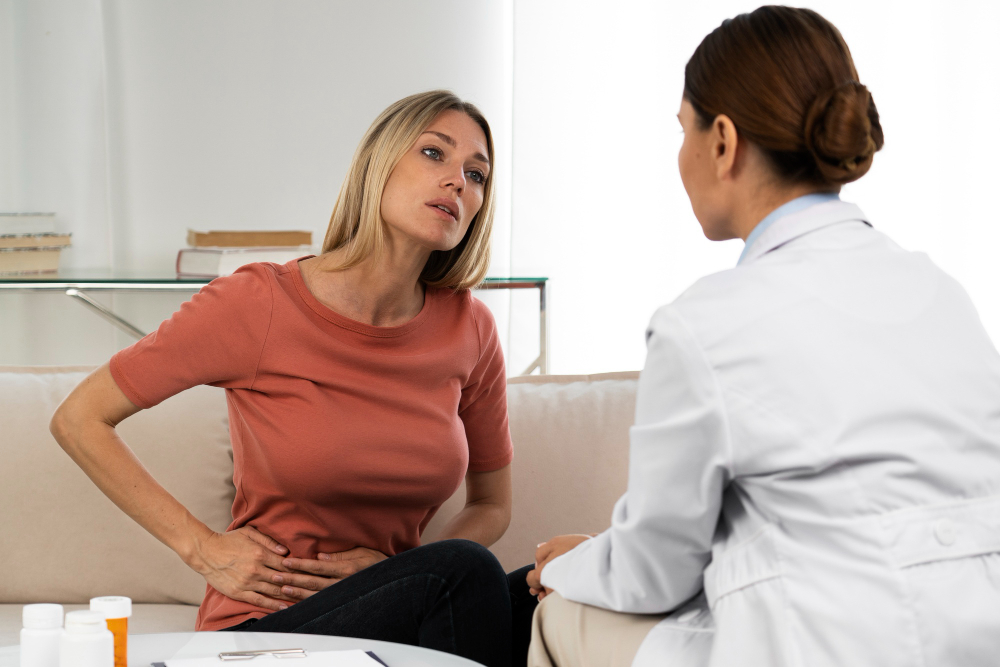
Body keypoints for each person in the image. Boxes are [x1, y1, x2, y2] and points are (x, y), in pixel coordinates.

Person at [526, 6, 1000, 667]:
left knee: (561, 610)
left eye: (683, 130)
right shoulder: (943, 293)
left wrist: (576, 562)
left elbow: (654, 572)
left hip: (823, 648)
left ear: (722, 140)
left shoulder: (704, 322)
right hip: (975, 643)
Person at [50, 90, 522, 667]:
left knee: (548, 586)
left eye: (477, 175)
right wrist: (201, 548)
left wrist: (407, 568)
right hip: (268, 628)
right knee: (468, 572)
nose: (458, 182)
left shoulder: (470, 328)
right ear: (378, 165)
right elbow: (79, 418)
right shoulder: (258, 303)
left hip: (404, 618)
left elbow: (492, 504)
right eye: (434, 153)